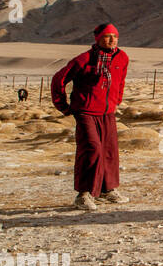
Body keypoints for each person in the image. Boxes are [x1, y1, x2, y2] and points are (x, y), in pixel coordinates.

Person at [51, 22, 130, 210]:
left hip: (107, 112)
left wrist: (116, 100)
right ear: (98, 38)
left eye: (115, 36)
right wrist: (62, 105)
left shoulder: (122, 57)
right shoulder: (84, 59)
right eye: (107, 36)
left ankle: (107, 190)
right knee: (92, 149)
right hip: (85, 111)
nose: (112, 40)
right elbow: (58, 79)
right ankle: (84, 194)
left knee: (109, 151)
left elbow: (121, 80)